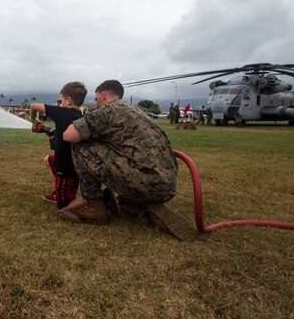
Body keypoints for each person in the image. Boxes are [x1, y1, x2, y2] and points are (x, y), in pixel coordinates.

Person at [62, 80, 197, 240]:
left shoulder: (109, 111)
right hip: (166, 185)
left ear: (103, 95)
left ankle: (95, 208)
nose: (96, 103)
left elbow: (68, 135)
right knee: (127, 163)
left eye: (96, 99)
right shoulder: (137, 112)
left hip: (142, 182)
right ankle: (139, 208)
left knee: (81, 144)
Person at [29, 82, 87, 210]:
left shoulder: (62, 112)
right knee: (48, 160)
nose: (59, 104)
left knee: (63, 206)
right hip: (72, 166)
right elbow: (60, 131)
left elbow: (33, 106)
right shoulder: (79, 116)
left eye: (60, 101)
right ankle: (58, 191)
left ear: (68, 100)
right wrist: (45, 129)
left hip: (67, 172)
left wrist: (34, 120)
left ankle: (96, 199)